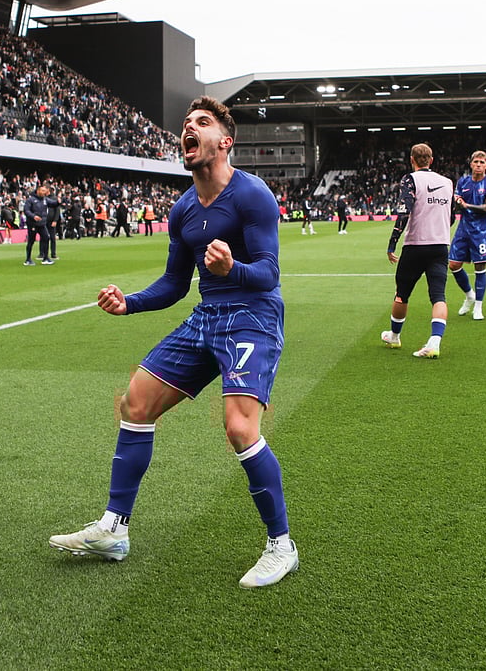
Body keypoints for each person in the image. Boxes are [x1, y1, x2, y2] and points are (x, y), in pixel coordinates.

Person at [48, 96, 298, 588]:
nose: (190, 129)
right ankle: (114, 530)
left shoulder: (252, 195)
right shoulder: (183, 208)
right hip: (207, 315)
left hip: (252, 316)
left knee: (240, 428)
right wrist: (131, 302)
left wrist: (233, 269)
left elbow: (268, 274)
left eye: (202, 123)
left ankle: (282, 546)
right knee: (135, 402)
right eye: (186, 124)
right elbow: (174, 284)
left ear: (225, 141)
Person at [381, 143, 454, 358]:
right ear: (431, 160)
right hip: (440, 245)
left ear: (412, 160)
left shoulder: (410, 179)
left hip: (415, 245)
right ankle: (434, 342)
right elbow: (451, 217)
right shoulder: (448, 182)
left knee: (402, 294)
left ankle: (394, 337)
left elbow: (404, 211)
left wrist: (392, 243)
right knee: (438, 295)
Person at [450, 150, 486, 320]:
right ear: (471, 164)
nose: (478, 165)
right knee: (454, 264)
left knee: (480, 267)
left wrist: (466, 205)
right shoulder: (463, 181)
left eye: (482, 162)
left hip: (481, 231)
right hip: (464, 228)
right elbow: (457, 201)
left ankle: (478, 306)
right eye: (476, 162)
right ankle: (469, 295)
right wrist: (457, 203)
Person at [22, 186, 52, 265]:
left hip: (41, 224)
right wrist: (33, 216)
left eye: (45, 191)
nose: (44, 192)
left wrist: (58, 202)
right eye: (42, 190)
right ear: (38, 191)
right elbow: (26, 210)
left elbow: (53, 203)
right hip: (33, 224)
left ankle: (45, 258)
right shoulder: (30, 200)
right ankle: (28, 259)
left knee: (46, 237)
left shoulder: (45, 200)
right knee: (31, 241)